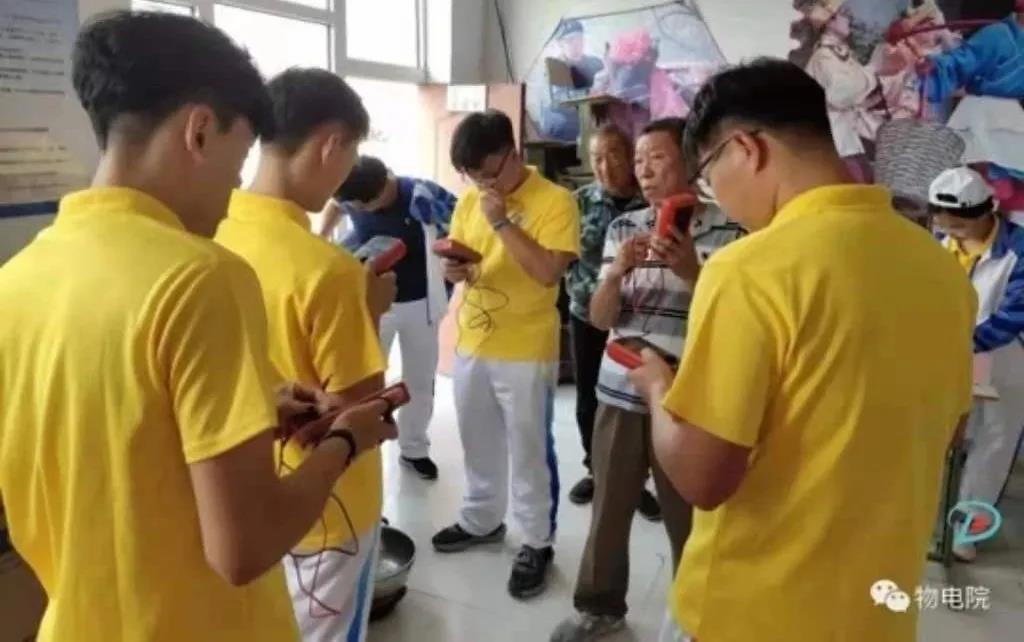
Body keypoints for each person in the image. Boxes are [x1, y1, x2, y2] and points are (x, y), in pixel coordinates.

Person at [0, 12, 396, 642]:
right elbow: (243, 548)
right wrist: (344, 441)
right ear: (201, 131)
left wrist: (256, 410)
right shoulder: (202, 276)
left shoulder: (18, 278)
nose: (235, 187)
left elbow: (107, 437)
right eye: (238, 163)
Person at [627, 59, 976, 642]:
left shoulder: (749, 269)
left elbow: (704, 479)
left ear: (746, 149)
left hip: (748, 613)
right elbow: (949, 430)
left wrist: (659, 389)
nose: (718, 198)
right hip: (875, 616)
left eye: (708, 176)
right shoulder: (941, 270)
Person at [213, 68, 393, 642]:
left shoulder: (207, 235)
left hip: (234, 501)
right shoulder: (329, 272)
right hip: (325, 507)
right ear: (330, 145)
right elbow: (359, 411)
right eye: (350, 154)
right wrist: (370, 312)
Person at [551, 118, 744, 642]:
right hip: (620, 389)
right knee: (609, 509)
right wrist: (616, 273)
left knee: (688, 517)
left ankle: (695, 616)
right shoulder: (623, 229)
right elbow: (599, 318)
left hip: (687, 397)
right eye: (638, 161)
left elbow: (736, 318)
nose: (643, 170)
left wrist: (693, 272)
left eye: (656, 158)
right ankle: (598, 608)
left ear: (690, 161)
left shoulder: (732, 231)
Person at [431, 110, 580, 599]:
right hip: (473, 340)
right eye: (472, 176)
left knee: (529, 447)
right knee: (477, 440)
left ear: (512, 154)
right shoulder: (470, 199)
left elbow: (547, 272)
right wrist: (455, 271)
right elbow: (468, 259)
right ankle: (482, 519)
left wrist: (500, 222)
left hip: (526, 347)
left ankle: (536, 540)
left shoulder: (556, 201)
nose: (482, 185)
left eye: (488, 173)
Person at [321, 156, 457, 480]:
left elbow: (462, 219)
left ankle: (414, 449)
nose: (359, 211)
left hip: (419, 303)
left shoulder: (421, 195)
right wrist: (322, 235)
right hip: (371, 303)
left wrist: (452, 258)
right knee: (364, 379)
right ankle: (362, 449)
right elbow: (336, 204)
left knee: (419, 380)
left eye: (364, 206)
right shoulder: (351, 192)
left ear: (383, 187)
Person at [929, 166, 1024, 562]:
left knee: (994, 440)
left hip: (1005, 355)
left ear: (988, 211)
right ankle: (925, 516)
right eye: (945, 224)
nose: (953, 233)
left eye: (961, 225)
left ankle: (966, 528)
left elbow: (1015, 313)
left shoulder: (1018, 251)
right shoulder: (937, 242)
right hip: (944, 351)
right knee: (936, 431)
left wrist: (966, 343)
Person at [563, 124, 646, 506]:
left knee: (637, 399)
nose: (605, 166)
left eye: (613, 155)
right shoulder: (578, 203)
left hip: (639, 318)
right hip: (587, 315)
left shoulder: (649, 202)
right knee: (588, 397)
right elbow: (562, 254)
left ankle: (637, 480)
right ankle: (595, 469)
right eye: (597, 157)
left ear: (629, 157)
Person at [920, 0, 1024, 210]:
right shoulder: (997, 34)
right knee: (965, 168)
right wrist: (936, 67)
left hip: (1011, 116)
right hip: (980, 111)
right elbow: (964, 60)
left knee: (1005, 181)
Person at [542, 18, 605, 141]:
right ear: (560, 44)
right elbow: (556, 101)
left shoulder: (595, 63)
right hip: (570, 124)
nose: (576, 45)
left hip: (596, 118)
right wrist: (588, 93)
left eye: (579, 39)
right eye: (570, 41)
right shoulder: (555, 67)